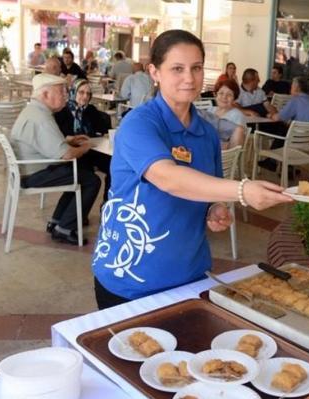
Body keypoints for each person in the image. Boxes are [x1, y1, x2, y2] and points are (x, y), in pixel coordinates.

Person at [91, 29, 292, 309]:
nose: (189, 78)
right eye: (177, 68)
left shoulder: (207, 132)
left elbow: (209, 189)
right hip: (131, 276)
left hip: (189, 274)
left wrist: (215, 208)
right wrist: (243, 190)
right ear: (154, 72)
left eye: (196, 67)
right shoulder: (139, 123)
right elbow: (168, 177)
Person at [10, 74, 101, 245]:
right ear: (45, 95)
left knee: (78, 174)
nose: (66, 95)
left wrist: (68, 140)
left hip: (27, 169)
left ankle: (57, 221)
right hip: (33, 173)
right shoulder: (41, 118)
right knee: (91, 180)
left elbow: (41, 141)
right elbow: (65, 155)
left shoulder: (34, 111)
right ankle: (65, 229)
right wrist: (85, 147)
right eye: (61, 91)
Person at [54, 78, 112, 202]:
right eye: (81, 92)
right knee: (86, 174)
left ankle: (107, 205)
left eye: (88, 93)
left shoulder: (90, 110)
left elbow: (105, 130)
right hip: (72, 153)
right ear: (73, 92)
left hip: (92, 150)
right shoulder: (62, 112)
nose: (85, 96)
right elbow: (57, 136)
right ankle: (78, 210)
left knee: (114, 166)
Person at [198, 79, 246, 149]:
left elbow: (236, 144)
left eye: (229, 95)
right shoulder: (210, 110)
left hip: (224, 156)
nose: (224, 97)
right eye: (221, 93)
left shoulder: (237, 115)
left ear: (234, 99)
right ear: (215, 95)